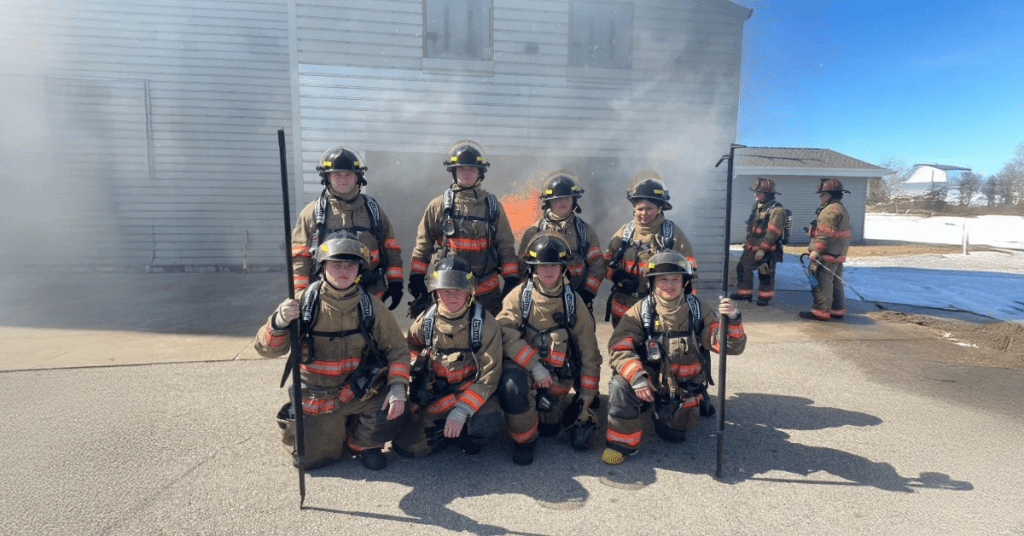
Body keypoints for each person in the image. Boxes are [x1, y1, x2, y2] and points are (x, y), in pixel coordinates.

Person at [256, 231, 411, 470]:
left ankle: (362, 443)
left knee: (396, 405)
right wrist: (278, 323)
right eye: (336, 264)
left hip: (358, 392)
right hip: (319, 396)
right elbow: (268, 351)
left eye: (350, 266)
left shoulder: (371, 306)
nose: (343, 271)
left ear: (360, 270)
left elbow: (398, 349)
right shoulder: (303, 303)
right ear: (323, 266)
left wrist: (399, 387)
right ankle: (329, 427)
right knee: (312, 461)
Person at [603, 249, 746, 465]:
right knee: (620, 385)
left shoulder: (700, 310)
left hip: (683, 386)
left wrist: (733, 319)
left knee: (674, 436)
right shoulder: (640, 311)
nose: (669, 285)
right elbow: (619, 347)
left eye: (675, 279)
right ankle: (622, 444)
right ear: (652, 283)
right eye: (663, 280)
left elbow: (729, 348)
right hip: (652, 379)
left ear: (684, 282)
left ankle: (697, 401)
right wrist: (636, 377)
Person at [496, 233, 602, 466]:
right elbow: (504, 331)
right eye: (542, 266)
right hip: (526, 373)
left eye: (554, 265)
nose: (548, 271)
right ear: (533, 268)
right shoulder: (519, 296)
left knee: (550, 429)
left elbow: (589, 352)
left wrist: (586, 398)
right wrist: (534, 366)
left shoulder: (573, 302)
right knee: (512, 384)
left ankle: (543, 415)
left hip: (556, 382)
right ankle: (524, 442)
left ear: (563, 268)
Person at [392, 256, 505, 458]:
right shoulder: (426, 321)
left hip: (469, 393)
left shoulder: (485, 324)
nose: (452, 297)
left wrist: (462, 410)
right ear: (436, 292)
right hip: (437, 395)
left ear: (469, 292)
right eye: (446, 291)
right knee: (406, 449)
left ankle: (468, 433)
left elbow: (489, 376)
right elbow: (408, 346)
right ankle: (446, 429)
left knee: (488, 419)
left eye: (458, 291)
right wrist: (415, 365)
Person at [408, 140, 519, 317]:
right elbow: (423, 247)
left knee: (489, 338)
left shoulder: (492, 206)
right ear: (453, 171)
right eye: (462, 169)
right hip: (448, 291)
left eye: (472, 169)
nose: (467, 173)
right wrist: (416, 279)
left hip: (486, 294)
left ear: (480, 172)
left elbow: (505, 247)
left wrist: (511, 280)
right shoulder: (438, 206)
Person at [289, 146, 405, 309]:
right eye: (337, 174)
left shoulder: (373, 209)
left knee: (373, 333)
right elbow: (300, 255)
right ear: (327, 177)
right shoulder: (312, 212)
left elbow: (391, 247)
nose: (343, 179)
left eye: (348, 174)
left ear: (357, 178)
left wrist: (395, 282)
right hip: (327, 297)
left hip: (371, 292)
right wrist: (301, 294)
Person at [604, 170, 698, 326]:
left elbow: (691, 274)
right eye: (640, 208)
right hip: (623, 311)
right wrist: (616, 275)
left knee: (655, 349)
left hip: (657, 311)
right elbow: (605, 262)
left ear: (659, 208)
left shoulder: (673, 235)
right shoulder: (625, 232)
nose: (644, 213)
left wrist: (687, 305)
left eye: (649, 208)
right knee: (624, 348)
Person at [517, 170, 605, 312]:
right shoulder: (534, 232)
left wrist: (588, 293)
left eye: (567, 198)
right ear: (549, 202)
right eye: (558, 199)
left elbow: (597, 265)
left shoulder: (585, 232)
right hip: (542, 300)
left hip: (579, 298)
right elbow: (523, 267)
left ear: (574, 200)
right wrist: (528, 294)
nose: (563, 202)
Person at [800, 178, 852, 321]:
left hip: (825, 255)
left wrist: (816, 250)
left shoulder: (829, 210)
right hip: (836, 254)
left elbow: (825, 233)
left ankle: (820, 311)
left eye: (822, 194)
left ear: (830, 194)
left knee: (821, 283)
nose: (820, 197)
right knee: (835, 283)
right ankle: (837, 309)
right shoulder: (840, 208)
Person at [731, 178, 788, 306]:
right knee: (742, 268)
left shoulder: (777, 210)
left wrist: (763, 249)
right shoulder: (757, 207)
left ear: (767, 194)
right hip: (752, 247)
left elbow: (773, 231)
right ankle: (744, 294)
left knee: (765, 273)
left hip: (767, 250)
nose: (755, 194)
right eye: (755, 192)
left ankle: (764, 298)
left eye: (759, 192)